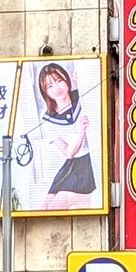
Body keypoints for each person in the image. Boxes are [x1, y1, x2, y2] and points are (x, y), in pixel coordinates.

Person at [21, 61, 98, 211]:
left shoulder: (83, 97)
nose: (57, 88)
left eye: (59, 80)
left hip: (90, 162)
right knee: (44, 208)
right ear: (45, 92)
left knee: (54, 207)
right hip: (73, 164)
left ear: (67, 80)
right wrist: (82, 133)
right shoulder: (48, 117)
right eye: (49, 86)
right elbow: (69, 153)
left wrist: (83, 80)